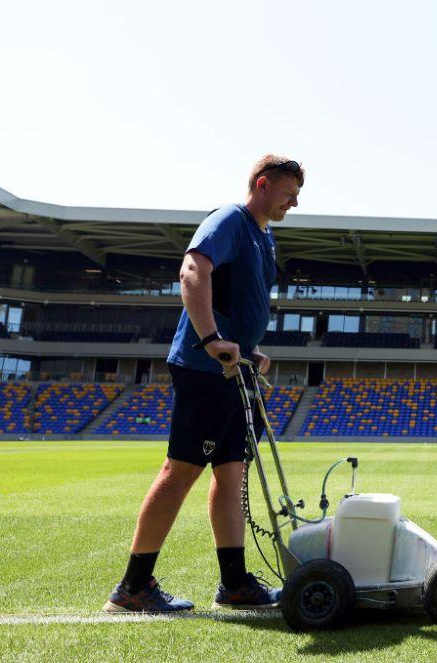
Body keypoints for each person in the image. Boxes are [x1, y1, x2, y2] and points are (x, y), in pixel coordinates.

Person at [104, 155, 303, 613]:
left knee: (232, 474)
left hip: (235, 371)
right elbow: (193, 271)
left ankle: (234, 584)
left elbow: (236, 299)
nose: (294, 202)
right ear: (263, 184)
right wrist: (212, 339)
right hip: (205, 369)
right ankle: (133, 588)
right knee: (180, 472)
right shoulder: (230, 220)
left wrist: (248, 348)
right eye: (289, 193)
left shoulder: (264, 237)